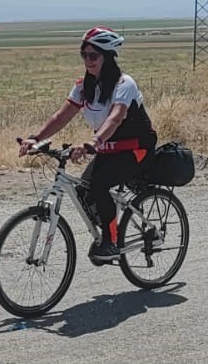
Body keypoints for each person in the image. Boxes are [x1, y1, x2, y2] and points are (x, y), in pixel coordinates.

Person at [17, 27, 157, 263]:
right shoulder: (84, 86)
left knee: (100, 185)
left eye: (94, 56)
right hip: (107, 149)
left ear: (109, 57)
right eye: (84, 55)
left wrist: (93, 142)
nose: (88, 61)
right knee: (84, 190)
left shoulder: (125, 83)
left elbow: (116, 118)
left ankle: (111, 241)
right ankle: (109, 225)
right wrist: (36, 138)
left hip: (136, 148)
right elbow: (61, 116)